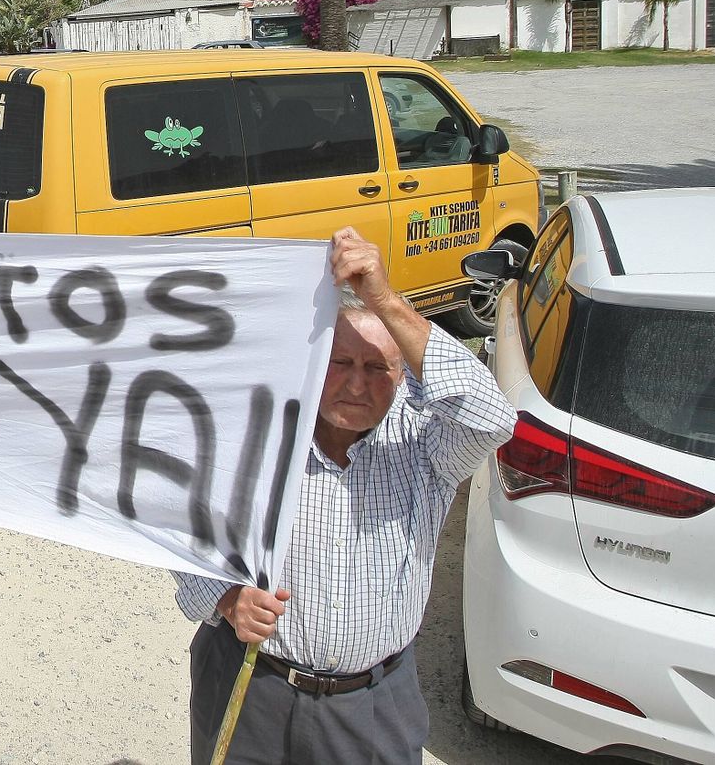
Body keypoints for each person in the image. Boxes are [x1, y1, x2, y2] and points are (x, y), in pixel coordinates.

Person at [173, 227, 515, 765]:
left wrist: (384, 297)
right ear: (310, 363)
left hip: (372, 706)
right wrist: (227, 599)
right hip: (249, 685)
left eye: (378, 367)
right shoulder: (256, 433)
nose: (357, 385)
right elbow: (186, 536)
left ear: (406, 377)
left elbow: (493, 417)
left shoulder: (426, 444)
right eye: (340, 363)